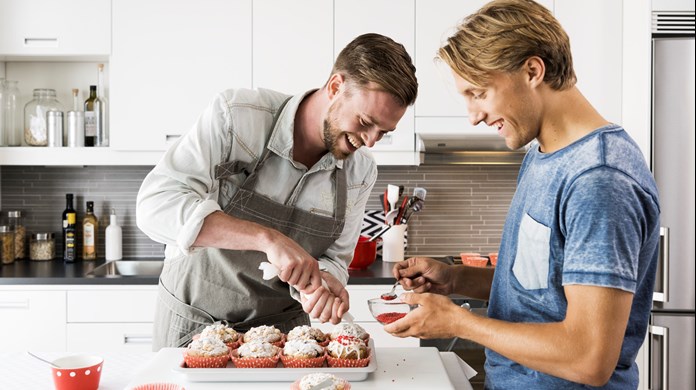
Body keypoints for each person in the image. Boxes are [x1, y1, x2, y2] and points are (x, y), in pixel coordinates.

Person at [383, 1, 660, 389]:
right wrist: (455, 278)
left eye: (479, 92)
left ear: (532, 71)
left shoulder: (598, 179)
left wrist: (459, 321)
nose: (473, 115)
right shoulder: (543, 156)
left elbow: (589, 357)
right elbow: (542, 289)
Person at [136, 33, 418, 350]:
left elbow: (335, 259)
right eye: (365, 122)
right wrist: (267, 239)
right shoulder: (237, 116)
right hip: (194, 323)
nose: (369, 141)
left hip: (287, 336)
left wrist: (321, 284)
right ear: (336, 87)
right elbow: (155, 206)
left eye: (383, 132)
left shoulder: (360, 172)